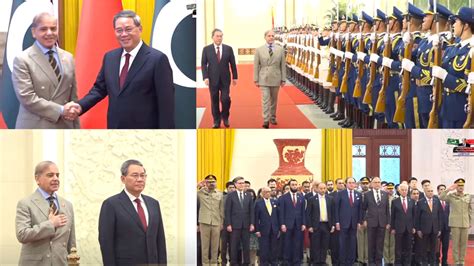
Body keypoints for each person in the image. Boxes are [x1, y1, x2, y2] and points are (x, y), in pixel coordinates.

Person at [72, 10, 175, 129]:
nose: (124, 34)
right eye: (119, 30)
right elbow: (99, 89)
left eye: (128, 29)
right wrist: (80, 106)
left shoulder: (157, 59)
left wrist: (166, 136)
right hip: (115, 130)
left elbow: (166, 104)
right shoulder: (110, 57)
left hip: (145, 134)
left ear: (140, 29)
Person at [11, 12, 80, 129]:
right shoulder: (23, 60)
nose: (49, 33)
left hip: (65, 126)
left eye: (53, 29)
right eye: (43, 29)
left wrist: (76, 127)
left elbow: (73, 97)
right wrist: (61, 110)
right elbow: (27, 97)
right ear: (34, 32)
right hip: (36, 127)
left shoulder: (68, 57)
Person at [98, 159, 167, 265]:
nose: (140, 179)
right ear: (123, 178)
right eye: (135, 175)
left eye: (143, 175)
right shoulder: (111, 204)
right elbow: (106, 243)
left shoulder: (154, 204)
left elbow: (160, 240)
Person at [15, 161, 76, 265]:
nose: (56, 178)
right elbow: (22, 235)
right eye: (50, 175)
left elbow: (71, 241)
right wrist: (51, 224)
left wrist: (73, 260)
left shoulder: (67, 205)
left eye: (57, 175)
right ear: (37, 179)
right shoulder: (25, 203)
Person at [201, 28, 238, 128]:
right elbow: (204, 64)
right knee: (214, 100)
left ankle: (225, 117)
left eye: (221, 36)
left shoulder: (228, 49)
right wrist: (205, 77)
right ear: (212, 37)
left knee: (225, 99)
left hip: (225, 79)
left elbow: (233, 63)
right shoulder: (206, 49)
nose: (219, 38)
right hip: (212, 79)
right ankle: (216, 121)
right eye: (217, 36)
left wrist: (235, 76)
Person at [254, 30, 286, 128]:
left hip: (276, 77)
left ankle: (273, 117)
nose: (271, 37)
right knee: (265, 99)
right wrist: (256, 79)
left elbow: (283, 65)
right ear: (265, 37)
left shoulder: (280, 49)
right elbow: (256, 65)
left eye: (272, 36)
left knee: (274, 100)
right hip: (264, 77)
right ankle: (266, 120)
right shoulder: (259, 50)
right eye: (269, 36)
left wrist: (283, 79)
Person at [439, 178, 472, 265]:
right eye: (459, 185)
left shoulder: (468, 196)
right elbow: (441, 197)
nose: (461, 187)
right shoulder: (451, 196)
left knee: (464, 243)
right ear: (456, 186)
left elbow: (471, 210)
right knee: (455, 244)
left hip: (465, 222)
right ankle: (456, 261)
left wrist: (471, 221)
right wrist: (448, 189)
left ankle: (462, 260)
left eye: (462, 185)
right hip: (455, 223)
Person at [225, 176, 255, 265]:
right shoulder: (230, 196)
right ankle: (234, 263)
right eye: (240, 183)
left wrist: (252, 223)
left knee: (246, 246)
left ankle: (246, 263)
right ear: (235, 184)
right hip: (234, 225)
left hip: (246, 225)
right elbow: (227, 211)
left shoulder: (248, 195)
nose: (242, 185)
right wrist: (228, 224)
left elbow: (251, 211)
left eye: (243, 183)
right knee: (234, 246)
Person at [362, 176, 390, 266]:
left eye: (378, 182)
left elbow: (387, 210)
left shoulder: (385, 194)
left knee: (380, 244)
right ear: (372, 184)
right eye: (375, 182)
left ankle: (378, 262)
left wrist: (388, 222)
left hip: (382, 223)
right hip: (371, 222)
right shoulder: (367, 194)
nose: (377, 184)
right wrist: (365, 220)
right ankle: (371, 262)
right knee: (371, 244)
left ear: (380, 184)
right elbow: (363, 209)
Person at [334, 177, 362, 266]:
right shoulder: (340, 194)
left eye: (353, 182)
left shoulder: (358, 194)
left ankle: (351, 262)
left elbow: (360, 209)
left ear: (355, 184)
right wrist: (337, 222)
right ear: (346, 184)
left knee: (352, 243)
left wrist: (359, 222)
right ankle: (342, 262)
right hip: (342, 223)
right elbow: (336, 209)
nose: (351, 184)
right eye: (349, 182)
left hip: (354, 223)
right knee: (342, 243)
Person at [197, 175, 224, 265]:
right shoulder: (200, 193)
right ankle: (205, 263)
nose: (211, 184)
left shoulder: (220, 193)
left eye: (213, 182)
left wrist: (222, 223)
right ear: (205, 183)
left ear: (216, 183)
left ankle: (213, 263)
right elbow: (187, 196)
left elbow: (221, 209)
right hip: (204, 222)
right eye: (209, 182)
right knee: (204, 246)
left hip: (216, 222)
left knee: (215, 246)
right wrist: (197, 185)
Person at [306, 182, 335, 265]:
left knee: (324, 244)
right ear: (317, 189)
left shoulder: (330, 199)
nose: (323, 190)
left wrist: (332, 225)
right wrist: (310, 226)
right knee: (315, 245)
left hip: (326, 225)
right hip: (316, 225)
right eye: (321, 188)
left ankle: (322, 261)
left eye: (324, 188)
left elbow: (332, 213)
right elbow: (308, 214)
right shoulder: (311, 199)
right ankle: (315, 261)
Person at [278, 179, 306, 265]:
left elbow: (303, 212)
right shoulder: (283, 197)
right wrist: (282, 224)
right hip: (287, 225)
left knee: (297, 244)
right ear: (289, 186)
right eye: (292, 184)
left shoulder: (301, 197)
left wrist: (304, 223)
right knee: (287, 243)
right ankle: (287, 261)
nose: (294, 186)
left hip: (298, 224)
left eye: (295, 184)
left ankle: (296, 261)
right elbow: (281, 212)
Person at [415, 185, 442, 266]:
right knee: (424, 248)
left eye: (431, 191)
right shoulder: (420, 202)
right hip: (424, 229)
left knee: (434, 248)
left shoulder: (437, 201)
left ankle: (433, 263)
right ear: (425, 192)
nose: (430, 193)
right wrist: (418, 229)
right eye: (428, 191)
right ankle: (424, 263)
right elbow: (417, 217)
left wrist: (439, 229)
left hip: (435, 229)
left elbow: (439, 215)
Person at [390, 183, 415, 265]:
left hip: (409, 228)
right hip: (398, 228)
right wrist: (392, 228)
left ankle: (407, 263)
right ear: (399, 191)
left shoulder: (411, 201)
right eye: (402, 190)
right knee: (398, 248)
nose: (404, 191)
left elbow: (414, 215)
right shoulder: (395, 201)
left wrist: (414, 227)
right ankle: (398, 263)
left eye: (406, 190)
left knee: (408, 247)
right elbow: (392, 216)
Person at [255, 187, 279, 266]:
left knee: (274, 248)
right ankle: (264, 263)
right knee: (264, 248)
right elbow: (256, 217)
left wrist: (278, 228)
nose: (268, 193)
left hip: (274, 229)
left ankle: (274, 263)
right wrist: (257, 230)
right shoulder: (258, 203)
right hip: (263, 229)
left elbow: (277, 216)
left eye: (269, 192)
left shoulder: (274, 202)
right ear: (262, 193)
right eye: (265, 192)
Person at [357, 177, 370, 265]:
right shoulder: (357, 194)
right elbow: (357, 209)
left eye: (366, 183)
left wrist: (367, 220)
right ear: (360, 184)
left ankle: (367, 258)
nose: (365, 185)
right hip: (359, 220)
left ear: (369, 184)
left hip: (370, 220)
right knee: (360, 241)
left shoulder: (372, 194)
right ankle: (361, 259)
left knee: (369, 241)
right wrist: (360, 220)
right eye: (363, 183)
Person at [436, 184, 450, 266]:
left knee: (446, 246)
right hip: (438, 228)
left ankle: (445, 262)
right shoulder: (435, 200)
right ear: (438, 191)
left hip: (447, 227)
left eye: (444, 189)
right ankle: (437, 261)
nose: (443, 191)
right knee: (437, 247)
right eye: (441, 189)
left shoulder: (448, 201)